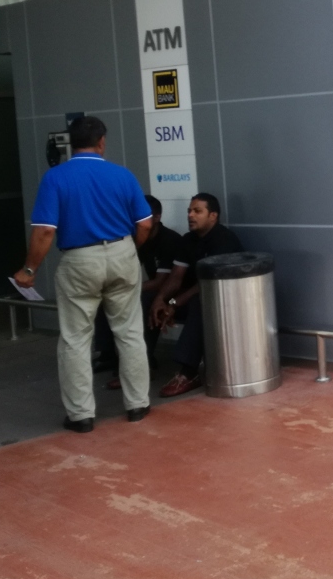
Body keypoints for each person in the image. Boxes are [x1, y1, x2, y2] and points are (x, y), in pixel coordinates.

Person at [13, 115, 154, 432]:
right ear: (102, 142)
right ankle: (137, 405)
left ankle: (81, 416)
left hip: (79, 260)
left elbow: (45, 231)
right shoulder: (122, 174)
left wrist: (29, 269)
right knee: (130, 333)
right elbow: (145, 224)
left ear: (70, 143)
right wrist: (128, 249)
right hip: (122, 252)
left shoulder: (55, 178)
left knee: (75, 340)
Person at [150, 192, 244, 398]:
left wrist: (174, 303)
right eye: (189, 211)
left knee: (201, 302)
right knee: (148, 300)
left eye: (197, 211)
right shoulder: (188, 239)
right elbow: (176, 277)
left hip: (223, 303)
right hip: (189, 298)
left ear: (213, 216)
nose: (190, 215)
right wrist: (160, 300)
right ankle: (142, 363)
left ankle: (188, 373)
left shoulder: (224, 240)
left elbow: (207, 284)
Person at [93, 194, 182, 389]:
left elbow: (161, 283)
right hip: (156, 290)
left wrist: (127, 289)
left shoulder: (168, 240)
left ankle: (143, 364)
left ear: (157, 217)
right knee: (106, 297)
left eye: (143, 215)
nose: (137, 219)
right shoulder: (139, 238)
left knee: (143, 301)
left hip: (173, 296)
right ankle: (109, 355)